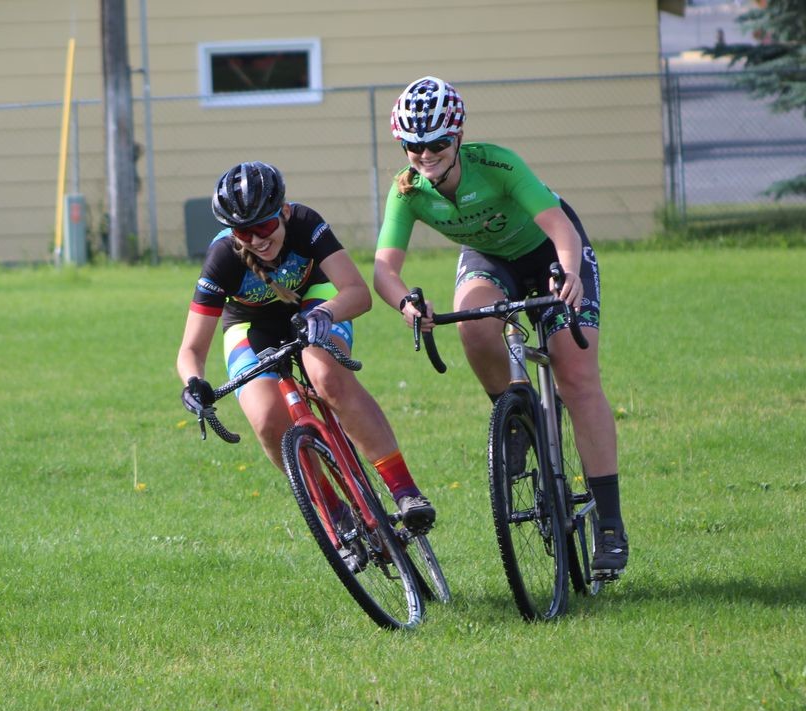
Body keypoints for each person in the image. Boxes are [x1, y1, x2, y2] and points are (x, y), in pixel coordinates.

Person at [372, 76, 629, 580]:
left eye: (437, 143)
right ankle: (518, 418)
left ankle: (612, 525)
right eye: (413, 145)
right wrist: (405, 303)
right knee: (473, 323)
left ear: (458, 136)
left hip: (552, 252)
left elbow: (559, 228)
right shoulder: (407, 191)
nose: (424, 154)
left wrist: (570, 273)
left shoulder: (497, 164)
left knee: (575, 377)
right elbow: (384, 269)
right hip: (492, 259)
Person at [177, 160, 435, 532]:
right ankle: (333, 511)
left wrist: (326, 314)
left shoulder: (304, 222)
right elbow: (191, 351)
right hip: (251, 325)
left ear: (282, 211)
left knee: (324, 373)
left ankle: (405, 490)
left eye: (265, 226)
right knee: (266, 418)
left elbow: (358, 293)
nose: (257, 240)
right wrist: (193, 383)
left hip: (317, 303)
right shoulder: (222, 258)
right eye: (245, 233)